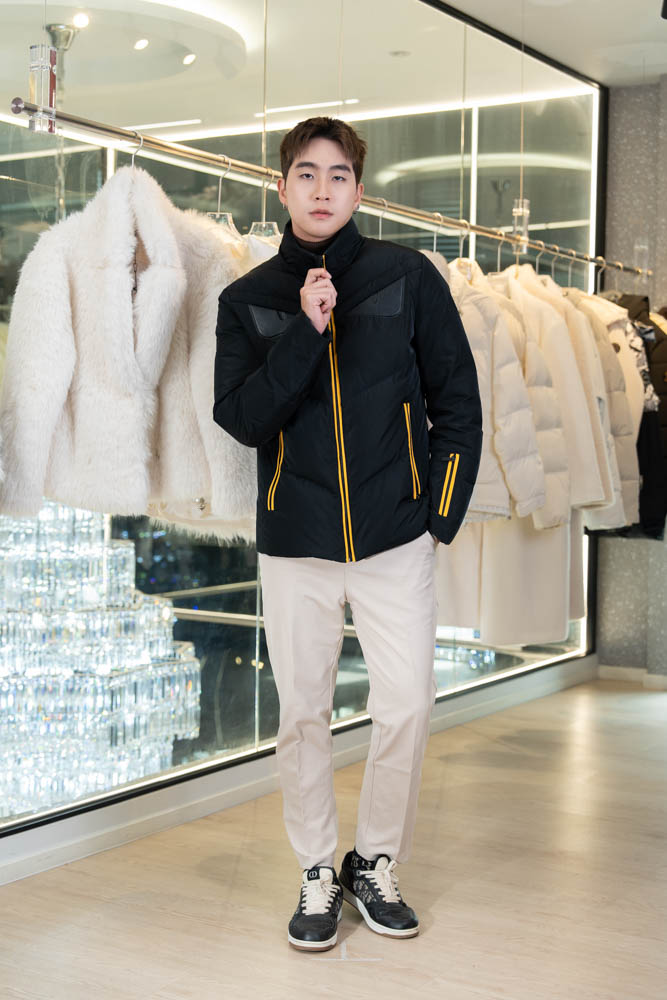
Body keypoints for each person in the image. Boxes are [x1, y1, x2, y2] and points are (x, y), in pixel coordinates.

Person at [213, 117, 482, 952]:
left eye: (337, 175)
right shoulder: (245, 299)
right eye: (306, 174)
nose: (322, 189)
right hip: (294, 544)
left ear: (359, 190)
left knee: (406, 704)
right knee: (303, 712)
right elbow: (243, 420)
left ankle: (375, 861)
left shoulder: (408, 276)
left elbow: (457, 402)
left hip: (395, 537)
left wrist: (435, 514)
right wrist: (305, 330)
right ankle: (316, 869)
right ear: (282, 186)